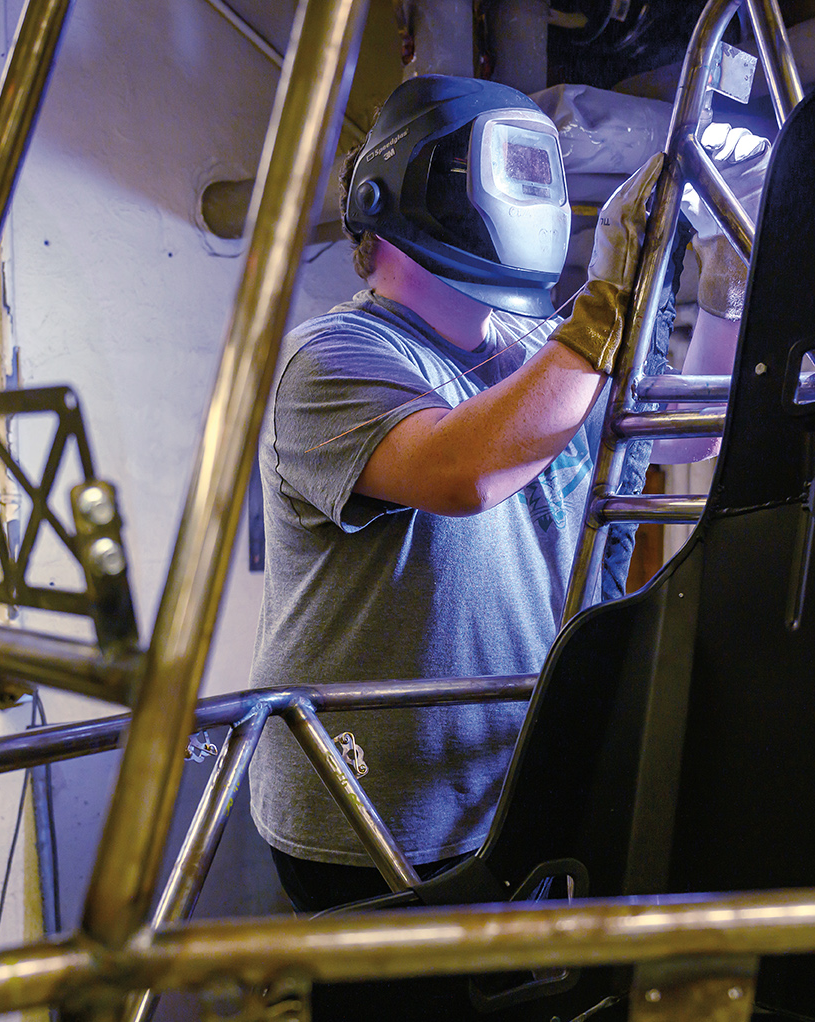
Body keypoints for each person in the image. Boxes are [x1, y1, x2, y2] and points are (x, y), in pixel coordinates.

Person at [247, 72, 671, 919]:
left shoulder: (532, 349)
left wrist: (712, 304)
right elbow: (461, 472)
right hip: (373, 811)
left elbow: (674, 437)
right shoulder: (331, 356)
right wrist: (607, 303)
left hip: (511, 784)